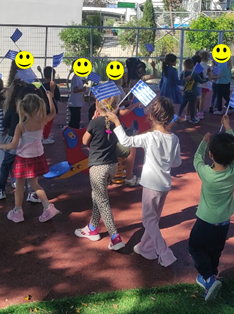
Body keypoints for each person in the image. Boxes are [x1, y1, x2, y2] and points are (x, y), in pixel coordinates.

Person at [107, 96, 181, 266]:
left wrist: (117, 122)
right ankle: (146, 248)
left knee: (149, 221)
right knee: (153, 219)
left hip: (151, 185)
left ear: (152, 116)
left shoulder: (150, 137)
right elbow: (176, 162)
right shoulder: (174, 139)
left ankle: (165, 253)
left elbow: (126, 141)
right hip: (164, 185)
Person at [189, 114, 234, 300]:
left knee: (195, 247)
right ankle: (213, 275)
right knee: (215, 250)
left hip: (205, 221)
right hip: (224, 222)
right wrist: (228, 126)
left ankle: (208, 278)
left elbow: (197, 159)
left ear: (211, 155)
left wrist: (204, 142)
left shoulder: (207, 173)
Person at [0, 91, 59, 223]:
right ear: (38, 108)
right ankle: (48, 207)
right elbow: (53, 113)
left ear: (23, 109)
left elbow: (13, 145)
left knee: (19, 185)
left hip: (23, 159)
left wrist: (1, 146)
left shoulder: (21, 126)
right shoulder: (41, 121)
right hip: (37, 157)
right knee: (34, 184)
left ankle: (18, 211)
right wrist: (50, 98)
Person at [74, 96, 125, 251]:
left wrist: (92, 121)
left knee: (102, 201)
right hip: (112, 166)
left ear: (97, 106)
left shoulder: (94, 123)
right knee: (97, 195)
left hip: (98, 167)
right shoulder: (117, 123)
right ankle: (92, 228)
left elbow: (84, 141)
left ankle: (115, 237)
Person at [178, 58, 205, 124]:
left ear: (184, 66)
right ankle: (192, 118)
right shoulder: (195, 74)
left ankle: (178, 116)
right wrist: (208, 79)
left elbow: (180, 81)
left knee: (182, 105)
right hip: (193, 93)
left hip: (185, 92)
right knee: (192, 106)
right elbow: (201, 81)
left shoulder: (183, 73)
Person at [42, 66, 61, 144]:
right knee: (48, 123)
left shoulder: (42, 86)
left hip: (43, 107)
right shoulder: (53, 86)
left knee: (45, 123)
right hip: (51, 107)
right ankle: (45, 137)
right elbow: (57, 97)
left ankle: (45, 135)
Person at [198, 51, 212, 119]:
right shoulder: (208, 67)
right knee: (202, 99)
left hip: (198, 84)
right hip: (205, 84)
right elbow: (210, 76)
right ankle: (200, 112)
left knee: (197, 98)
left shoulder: (198, 65)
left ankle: (196, 111)